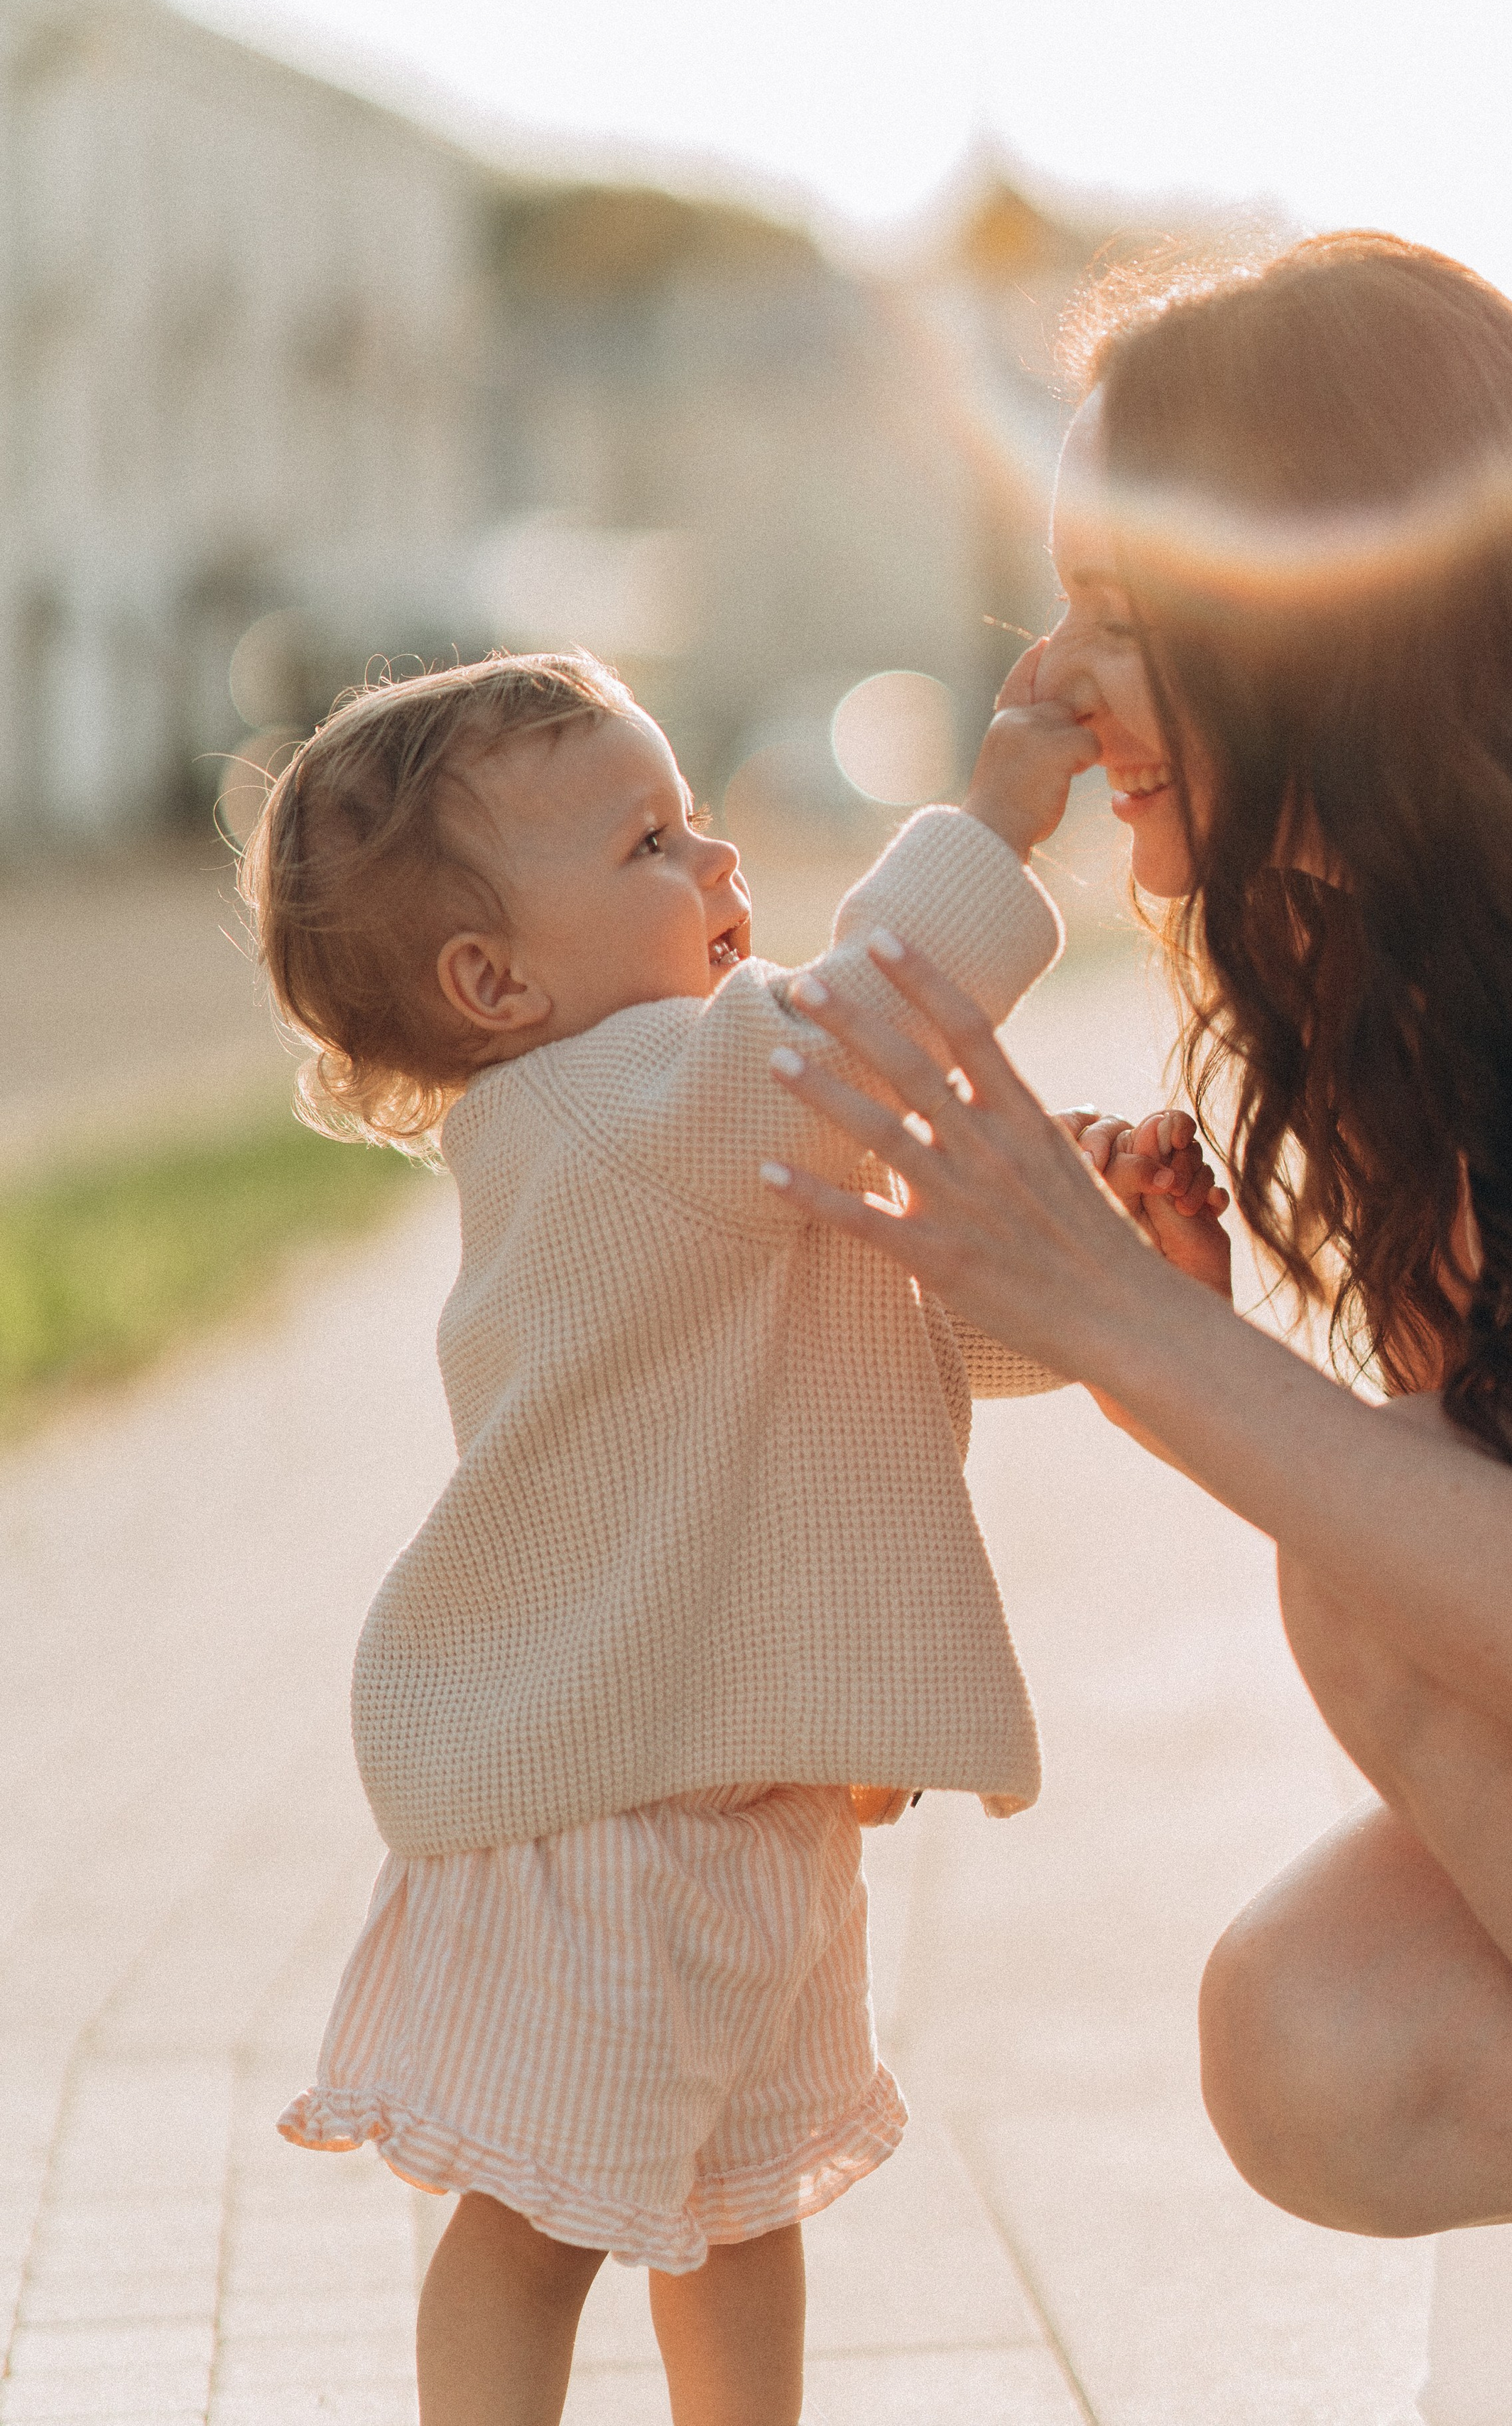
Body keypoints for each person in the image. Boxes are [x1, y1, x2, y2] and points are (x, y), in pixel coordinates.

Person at [760, 233, 1512, 2420]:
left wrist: (1141, 1342)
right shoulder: (1429, 962)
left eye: (1123, 617)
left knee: (1381, 1579)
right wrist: (1172, 1358)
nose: (1055, 686)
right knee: (1326, 2049)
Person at [239, 649, 1205, 2426]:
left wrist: (1099, 1251)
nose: (716, 860)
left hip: (733, 1799)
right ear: (494, 982)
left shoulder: (689, 1128)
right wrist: (991, 823)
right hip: (612, 1812)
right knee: (539, 2219)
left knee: (742, 2206)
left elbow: (895, 1338)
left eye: (692, 817)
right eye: (648, 845)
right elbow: (854, 1030)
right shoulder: (610, 1108)